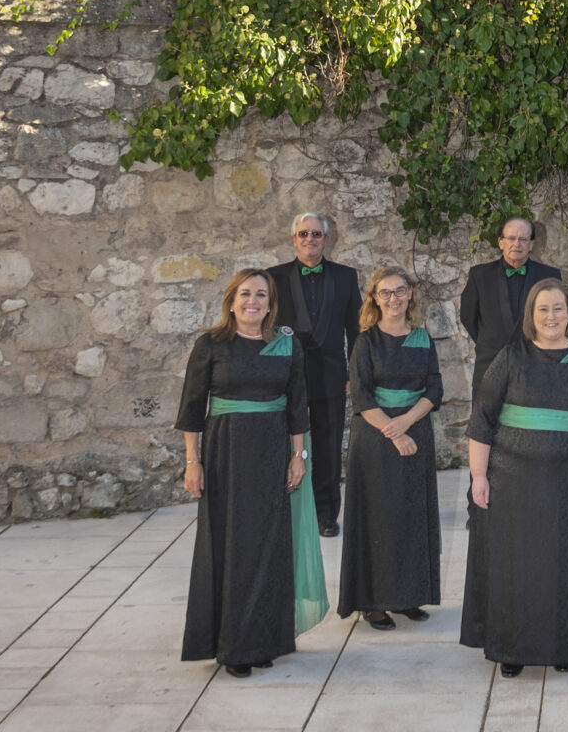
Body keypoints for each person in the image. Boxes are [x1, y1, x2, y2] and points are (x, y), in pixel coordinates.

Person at [462, 278, 568, 678]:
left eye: (558, 308)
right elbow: (482, 419)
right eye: (543, 309)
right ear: (530, 316)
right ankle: (513, 649)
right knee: (519, 565)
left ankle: (567, 643)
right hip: (513, 483)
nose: (551, 316)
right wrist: (478, 476)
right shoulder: (511, 357)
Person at [177, 268, 321, 676]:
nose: (252, 301)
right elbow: (191, 408)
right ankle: (234, 645)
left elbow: (298, 404)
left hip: (274, 452)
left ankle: (267, 638)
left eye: (261, 294)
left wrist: (299, 456)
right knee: (233, 547)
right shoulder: (211, 345)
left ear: (271, 303)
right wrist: (193, 462)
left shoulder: (286, 345)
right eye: (245, 294)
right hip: (226, 455)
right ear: (231, 300)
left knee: (269, 546)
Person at [337, 268, 443, 630]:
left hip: (416, 432)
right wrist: (395, 432)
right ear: (374, 299)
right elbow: (362, 396)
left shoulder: (421, 338)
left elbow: (434, 389)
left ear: (411, 294)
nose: (394, 298)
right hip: (376, 438)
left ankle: (409, 594)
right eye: (385, 293)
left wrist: (409, 422)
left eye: (400, 291)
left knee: (412, 516)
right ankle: (375, 601)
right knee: (379, 519)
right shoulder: (366, 342)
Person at [265, 212, 360, 537]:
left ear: (326, 239)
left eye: (316, 234)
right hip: (285, 375)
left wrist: (354, 371)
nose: (310, 239)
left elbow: (355, 329)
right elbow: (267, 328)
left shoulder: (347, 277)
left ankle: (326, 515)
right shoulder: (273, 278)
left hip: (331, 374)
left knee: (329, 447)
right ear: (294, 239)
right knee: (281, 443)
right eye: (304, 234)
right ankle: (281, 511)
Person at [456, 215, 561, 418]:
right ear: (501, 242)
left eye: (523, 239)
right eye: (511, 238)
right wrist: (491, 341)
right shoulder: (479, 275)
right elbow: (468, 316)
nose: (517, 244)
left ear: (531, 245)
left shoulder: (549, 276)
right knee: (485, 427)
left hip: (536, 364)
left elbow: (557, 319)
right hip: (490, 364)